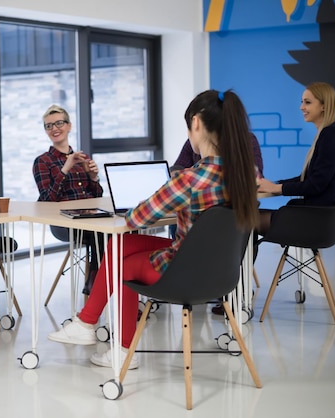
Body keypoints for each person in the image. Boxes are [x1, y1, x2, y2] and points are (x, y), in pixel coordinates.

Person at [48, 90, 260, 369]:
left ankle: (112, 342)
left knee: (120, 265)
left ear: (196, 123)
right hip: (221, 272)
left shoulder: (189, 179)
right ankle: (89, 325)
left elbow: (138, 218)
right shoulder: (245, 176)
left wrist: (150, 197)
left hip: (185, 272)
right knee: (119, 246)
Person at [169, 133, 264, 316]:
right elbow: (178, 166)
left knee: (240, 233)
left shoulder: (246, 140)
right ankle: (201, 283)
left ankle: (231, 288)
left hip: (227, 213)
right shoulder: (195, 140)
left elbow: (255, 178)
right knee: (178, 223)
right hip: (205, 213)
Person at [256, 82, 335, 237]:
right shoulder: (329, 133)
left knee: (245, 221)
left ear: (323, 106)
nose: (301, 107)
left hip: (317, 220)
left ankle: (239, 262)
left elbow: (315, 185)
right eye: (302, 102)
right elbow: (307, 178)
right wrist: (274, 185)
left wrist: (276, 188)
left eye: (307, 102)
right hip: (318, 215)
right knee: (249, 218)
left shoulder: (331, 136)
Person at [33, 104, 104, 294]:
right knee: (101, 234)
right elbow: (48, 200)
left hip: (90, 218)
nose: (54, 129)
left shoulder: (82, 158)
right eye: (49, 126)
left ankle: (106, 284)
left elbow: (96, 197)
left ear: (69, 126)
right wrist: (65, 167)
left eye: (59, 123)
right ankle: (96, 284)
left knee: (121, 232)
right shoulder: (43, 161)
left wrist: (93, 178)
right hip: (63, 222)